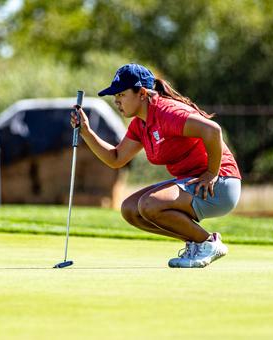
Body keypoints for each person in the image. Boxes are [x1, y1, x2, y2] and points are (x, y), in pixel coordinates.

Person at [71, 63, 241, 268]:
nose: (116, 100)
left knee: (148, 204)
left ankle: (207, 243)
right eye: (115, 96)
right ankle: (197, 244)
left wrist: (211, 173)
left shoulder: (167, 112)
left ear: (142, 93)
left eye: (121, 95)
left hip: (219, 183)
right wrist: (87, 132)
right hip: (193, 183)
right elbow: (116, 158)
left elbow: (212, 131)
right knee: (131, 209)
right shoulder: (140, 123)